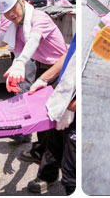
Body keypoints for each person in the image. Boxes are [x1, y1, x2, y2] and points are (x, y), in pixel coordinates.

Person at [0, 0, 67, 146]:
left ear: (21, 0)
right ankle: (41, 149)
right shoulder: (17, 28)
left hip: (61, 67)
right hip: (42, 67)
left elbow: (34, 39)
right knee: (40, 112)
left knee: (54, 115)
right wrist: (15, 69)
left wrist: (21, 62)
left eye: (13, 9)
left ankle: (51, 155)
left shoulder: (39, 17)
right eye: (6, 13)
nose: (11, 15)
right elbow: (19, 53)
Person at [23, 35, 76, 194]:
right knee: (54, 139)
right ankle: (48, 175)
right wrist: (44, 79)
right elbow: (70, 54)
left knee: (72, 168)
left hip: (78, 104)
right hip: (65, 95)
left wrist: (72, 107)